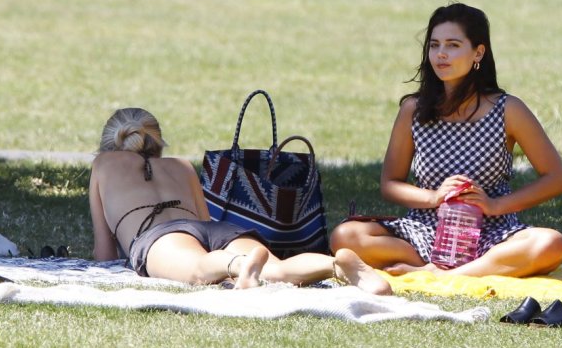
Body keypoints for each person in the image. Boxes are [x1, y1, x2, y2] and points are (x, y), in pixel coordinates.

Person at [330, 3, 562, 278]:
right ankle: (446, 267)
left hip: (491, 234)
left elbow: (556, 179)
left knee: (552, 243)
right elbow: (390, 184)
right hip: (425, 231)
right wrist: (433, 197)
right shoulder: (414, 109)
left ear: (478, 52)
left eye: (453, 45)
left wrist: (494, 206)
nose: (441, 54)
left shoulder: (508, 109)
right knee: (344, 236)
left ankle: (442, 275)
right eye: (434, 45)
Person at [90, 107, 391, 294]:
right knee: (277, 270)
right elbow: (205, 221)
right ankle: (334, 265)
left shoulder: (103, 165)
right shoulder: (181, 165)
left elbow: (104, 251)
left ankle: (239, 267)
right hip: (217, 230)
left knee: (198, 269)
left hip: (159, 238)